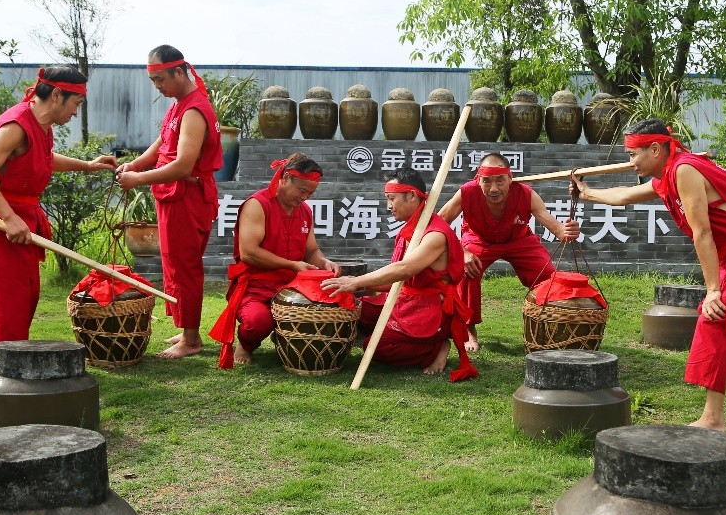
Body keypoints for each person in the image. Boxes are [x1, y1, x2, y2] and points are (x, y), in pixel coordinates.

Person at [570, 119, 726, 431]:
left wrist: (713, 290)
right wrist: (587, 194)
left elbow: (702, 232)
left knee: (714, 317)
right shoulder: (669, 173)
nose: (630, 161)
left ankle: (714, 419)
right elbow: (623, 196)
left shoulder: (684, 170)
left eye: (634, 154)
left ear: (654, 148)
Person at [0, 66, 117, 375]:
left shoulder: (40, 125)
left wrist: (86, 166)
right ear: (57, 95)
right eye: (76, 103)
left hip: (20, 218)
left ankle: (4, 359)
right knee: (5, 297)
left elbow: (40, 158)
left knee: (25, 294)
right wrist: (8, 217)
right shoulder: (16, 126)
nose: (76, 112)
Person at [115, 45, 223, 359]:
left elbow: (183, 165)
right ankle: (185, 328)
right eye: (154, 81)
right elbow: (161, 146)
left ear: (179, 71)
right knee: (174, 262)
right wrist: (135, 165)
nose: (158, 87)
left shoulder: (193, 109)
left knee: (185, 266)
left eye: (161, 79)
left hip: (187, 198)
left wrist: (137, 179)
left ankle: (191, 339)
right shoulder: (179, 105)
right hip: (175, 196)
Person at [322, 168, 477, 380]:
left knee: (375, 347)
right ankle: (402, 335)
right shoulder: (410, 230)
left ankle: (435, 347)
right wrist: (358, 287)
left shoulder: (435, 235)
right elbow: (398, 280)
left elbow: (405, 269)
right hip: (404, 298)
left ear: (412, 196)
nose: (389, 206)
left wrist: (357, 282)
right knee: (351, 306)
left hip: (427, 309)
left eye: (391, 198)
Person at [438, 153, 581, 351]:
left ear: (510, 178)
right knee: (467, 271)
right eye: (486, 181)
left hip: (519, 240)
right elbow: (438, 222)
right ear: (478, 180)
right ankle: (469, 328)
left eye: (500, 180)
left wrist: (567, 231)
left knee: (547, 273)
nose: (494, 188)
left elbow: (557, 230)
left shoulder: (526, 194)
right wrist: (461, 251)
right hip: (479, 240)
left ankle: (546, 323)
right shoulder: (467, 193)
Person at [208, 153, 341, 367]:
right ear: (286, 178)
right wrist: (290, 264)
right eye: (302, 191)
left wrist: (324, 263)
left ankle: (282, 337)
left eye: (311, 193)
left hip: (292, 287)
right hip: (256, 285)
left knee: (327, 311)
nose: (305, 197)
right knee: (257, 322)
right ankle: (246, 343)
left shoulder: (304, 211)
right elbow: (249, 252)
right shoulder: (257, 204)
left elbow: (311, 251)